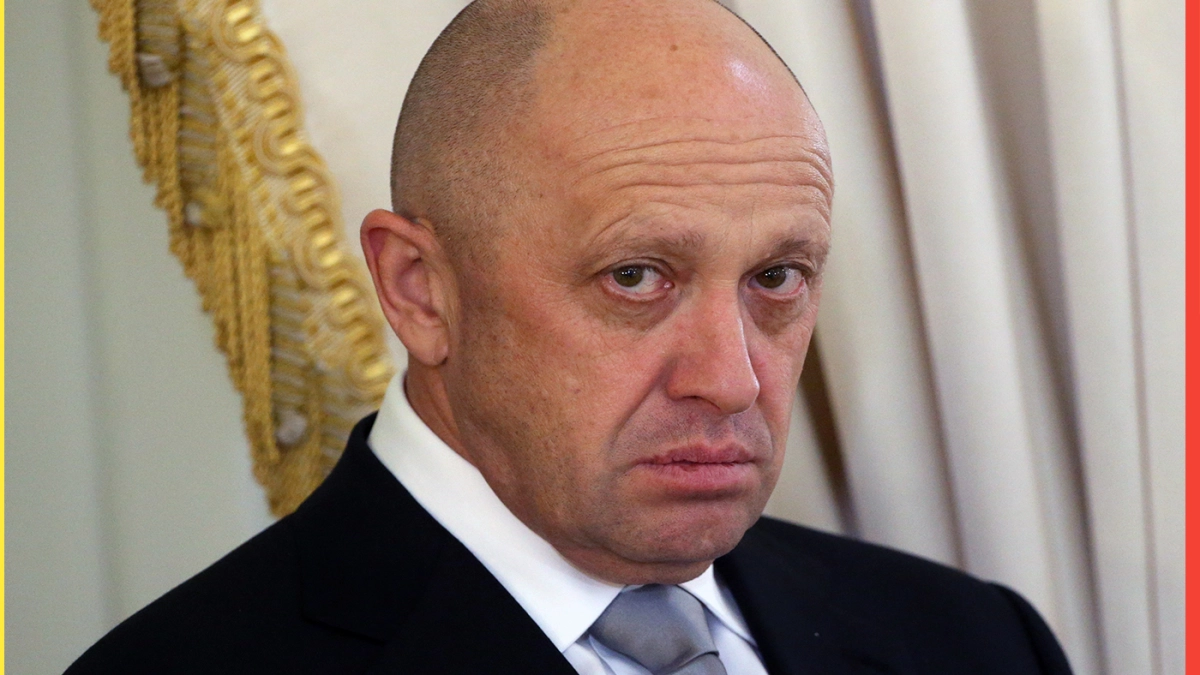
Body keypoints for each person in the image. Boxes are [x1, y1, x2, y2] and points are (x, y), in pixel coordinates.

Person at [67, 0, 1074, 673]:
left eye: (776, 278)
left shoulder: (978, 642)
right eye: (635, 277)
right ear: (420, 291)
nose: (731, 380)